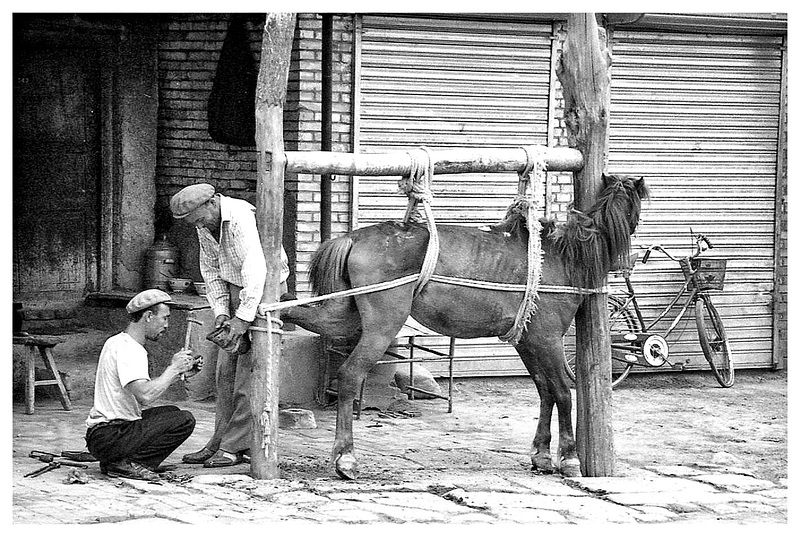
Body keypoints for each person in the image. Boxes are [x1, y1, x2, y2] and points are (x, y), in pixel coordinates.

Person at [171, 183, 289, 468]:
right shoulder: (204, 226)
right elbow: (210, 270)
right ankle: (219, 441)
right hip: (236, 290)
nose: (198, 226)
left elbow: (256, 270)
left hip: (265, 289)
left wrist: (243, 318)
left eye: (200, 219)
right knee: (225, 374)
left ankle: (234, 447)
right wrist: (222, 312)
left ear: (212, 203)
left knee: (249, 376)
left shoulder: (240, 217)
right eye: (193, 224)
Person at [85, 289, 199, 481]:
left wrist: (179, 371)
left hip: (105, 435)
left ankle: (122, 461)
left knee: (172, 412)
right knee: (184, 420)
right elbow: (145, 396)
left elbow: (145, 390)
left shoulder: (118, 342)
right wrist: (173, 369)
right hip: (110, 436)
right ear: (148, 316)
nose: (166, 325)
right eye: (164, 319)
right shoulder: (129, 349)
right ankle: (128, 463)